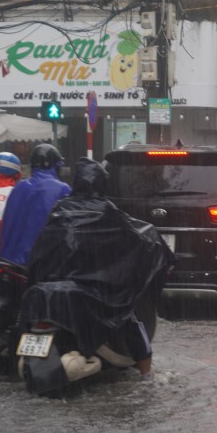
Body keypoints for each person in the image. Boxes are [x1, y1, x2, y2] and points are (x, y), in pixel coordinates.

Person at [23, 158, 173, 380]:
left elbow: (41, 249)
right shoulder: (106, 211)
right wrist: (158, 248)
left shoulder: (60, 209)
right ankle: (147, 374)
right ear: (101, 185)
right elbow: (136, 234)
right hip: (91, 293)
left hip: (48, 289)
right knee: (128, 317)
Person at [0, 144, 72, 266]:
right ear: (55, 165)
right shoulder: (62, 189)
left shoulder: (18, 188)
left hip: (8, 263)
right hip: (39, 266)